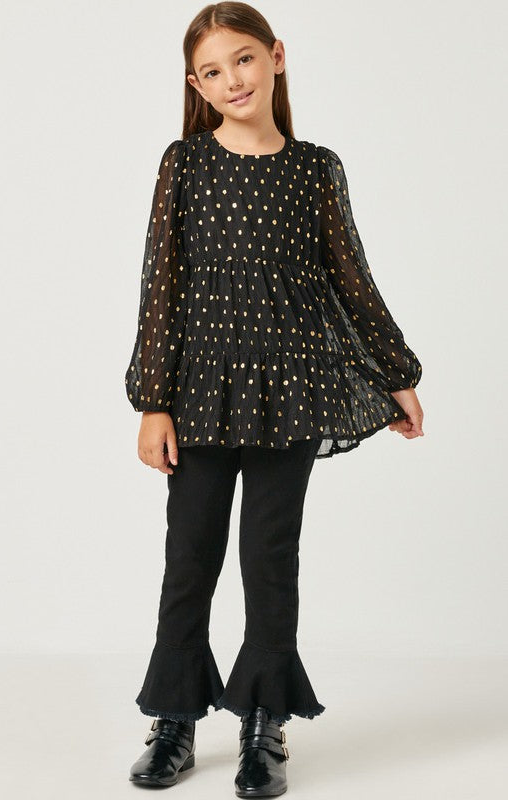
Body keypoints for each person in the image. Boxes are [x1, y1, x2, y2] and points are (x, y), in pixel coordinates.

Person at [124, 2, 424, 795]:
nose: (232, 79)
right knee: (189, 558)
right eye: (212, 71)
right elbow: (161, 283)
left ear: (276, 57)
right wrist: (152, 400)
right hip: (198, 392)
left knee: (269, 559)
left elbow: (349, 276)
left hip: (291, 391)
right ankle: (175, 720)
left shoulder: (315, 168)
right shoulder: (186, 163)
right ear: (195, 85)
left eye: (243, 59)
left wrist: (397, 372)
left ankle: (264, 723)